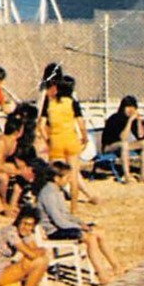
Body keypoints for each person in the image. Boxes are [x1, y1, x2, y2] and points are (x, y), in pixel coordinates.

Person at [34, 161, 123, 283]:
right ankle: (102, 274)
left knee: (99, 231)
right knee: (90, 238)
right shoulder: (48, 193)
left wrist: (81, 223)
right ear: (56, 178)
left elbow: (66, 214)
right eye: (67, 177)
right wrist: (80, 227)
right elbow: (58, 220)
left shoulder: (57, 190)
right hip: (54, 230)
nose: (69, 180)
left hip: (63, 225)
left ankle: (116, 266)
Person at [42, 75, 95, 211]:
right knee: (73, 175)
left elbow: (41, 125)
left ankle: (55, 205)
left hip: (55, 140)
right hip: (71, 138)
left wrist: (47, 139)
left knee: (55, 175)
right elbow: (81, 123)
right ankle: (74, 207)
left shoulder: (50, 103)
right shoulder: (72, 103)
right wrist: (84, 137)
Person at [101, 96, 144, 183]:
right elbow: (123, 138)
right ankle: (127, 176)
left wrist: (138, 121)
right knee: (124, 145)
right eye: (128, 107)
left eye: (133, 108)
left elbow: (140, 136)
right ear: (123, 108)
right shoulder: (116, 118)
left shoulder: (133, 120)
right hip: (109, 146)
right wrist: (130, 121)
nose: (131, 110)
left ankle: (143, 174)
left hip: (122, 145)